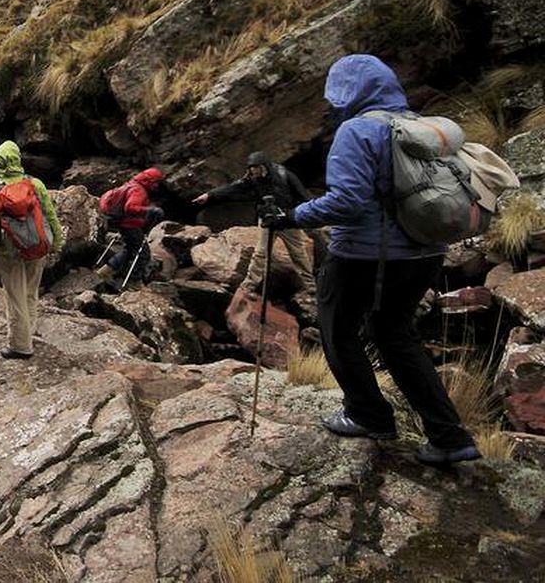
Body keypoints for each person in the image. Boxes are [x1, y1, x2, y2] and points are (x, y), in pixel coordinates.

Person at [263, 54, 479, 465]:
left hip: (367, 255)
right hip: (427, 251)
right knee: (395, 334)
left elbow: (347, 202)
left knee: (338, 330)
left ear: (349, 91)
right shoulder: (418, 126)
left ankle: (368, 415)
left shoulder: (357, 131)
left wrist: (292, 217)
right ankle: (450, 436)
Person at [194, 151, 317, 306]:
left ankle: (311, 287)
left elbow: (303, 196)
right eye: (251, 168)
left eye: (256, 168)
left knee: (298, 254)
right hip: (267, 219)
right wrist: (209, 195)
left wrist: (301, 215)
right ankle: (248, 287)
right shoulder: (252, 179)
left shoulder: (285, 175)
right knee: (260, 253)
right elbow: (233, 188)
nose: (253, 171)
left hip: (287, 220)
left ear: (264, 166)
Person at [0, 141, 62, 360]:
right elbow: (51, 216)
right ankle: (29, 332)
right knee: (30, 292)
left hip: (9, 252)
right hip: (37, 247)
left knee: (15, 297)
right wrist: (57, 242)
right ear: (17, 159)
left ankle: (20, 345)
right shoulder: (35, 184)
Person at [100, 168, 165, 292]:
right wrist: (150, 210)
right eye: (155, 183)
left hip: (123, 224)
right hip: (131, 225)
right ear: (148, 181)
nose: (156, 186)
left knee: (129, 250)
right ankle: (135, 282)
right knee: (143, 253)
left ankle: (105, 271)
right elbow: (130, 207)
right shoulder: (139, 190)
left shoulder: (130, 185)